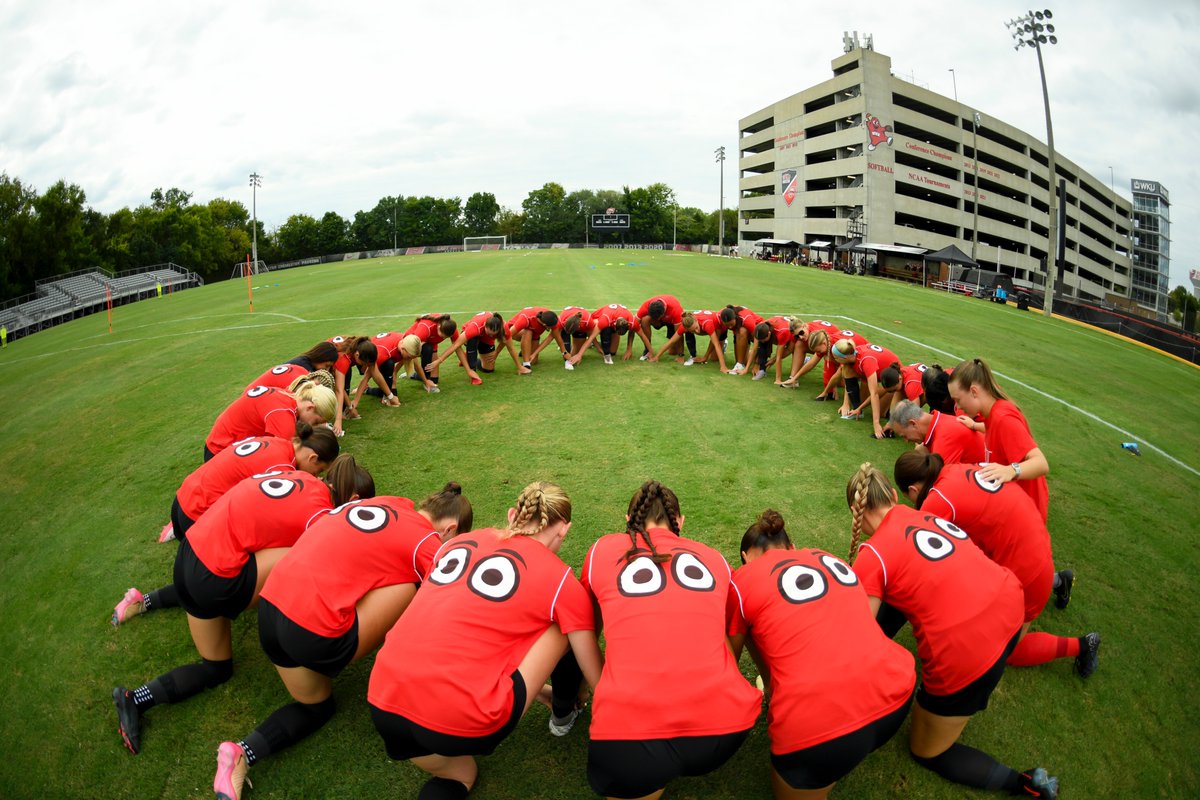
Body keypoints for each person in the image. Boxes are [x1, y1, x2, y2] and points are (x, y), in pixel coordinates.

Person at [211, 483, 475, 800]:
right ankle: (413, 684)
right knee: (417, 584)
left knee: (316, 708)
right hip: (313, 635)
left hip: (270, 611)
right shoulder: (427, 542)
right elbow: (456, 596)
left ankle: (240, 753)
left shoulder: (392, 502)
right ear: (450, 529)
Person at [111, 457, 373, 756]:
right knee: (309, 560)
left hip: (189, 557)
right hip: (213, 579)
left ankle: (136, 698)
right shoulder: (322, 514)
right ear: (353, 500)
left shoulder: (296, 475)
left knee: (216, 668)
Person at [367, 482, 602, 799]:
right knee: (568, 621)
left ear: (512, 515)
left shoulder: (459, 542)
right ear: (563, 530)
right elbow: (593, 671)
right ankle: (564, 711)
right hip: (463, 720)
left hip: (383, 698)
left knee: (461, 775)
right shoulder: (560, 579)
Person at [844, 463, 1059, 798]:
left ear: (855, 513)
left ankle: (1025, 783)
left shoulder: (872, 554)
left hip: (969, 651)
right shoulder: (930, 512)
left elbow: (859, 636)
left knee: (927, 750)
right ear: (892, 493)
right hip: (1010, 604)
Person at [580, 480, 761, 800]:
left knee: (643, 769)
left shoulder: (601, 550)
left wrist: (593, 688)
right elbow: (722, 635)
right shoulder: (715, 559)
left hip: (629, 740)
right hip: (725, 730)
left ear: (628, 520)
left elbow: (587, 629)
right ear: (680, 522)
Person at [729, 509, 915, 800]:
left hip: (819, 733)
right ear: (792, 547)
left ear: (744, 557)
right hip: (897, 696)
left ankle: (778, 700)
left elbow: (728, 663)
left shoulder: (741, 579)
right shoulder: (828, 557)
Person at [893, 452, 1097, 675]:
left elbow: (911, 556)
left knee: (1003, 651)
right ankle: (1058, 581)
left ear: (913, 490)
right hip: (1034, 546)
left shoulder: (938, 499)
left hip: (1028, 572)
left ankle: (1084, 645)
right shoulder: (955, 470)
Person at [114, 424, 340, 621]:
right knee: (211, 576)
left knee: (200, 575)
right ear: (312, 458)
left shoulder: (278, 443)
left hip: (184, 500)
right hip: (198, 513)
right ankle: (145, 601)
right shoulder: (282, 469)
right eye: (319, 470)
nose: (316, 476)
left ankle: (144, 598)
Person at [948, 358, 1050, 522]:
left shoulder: (1003, 418)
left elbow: (1041, 463)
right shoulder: (992, 413)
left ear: (974, 391)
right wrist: (974, 425)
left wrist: (1010, 470)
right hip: (1015, 504)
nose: (958, 407)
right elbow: (993, 429)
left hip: (1026, 510)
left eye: (958, 400)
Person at [203, 374, 337, 462]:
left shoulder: (287, 397)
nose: (314, 426)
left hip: (225, 445)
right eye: (317, 421)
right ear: (310, 407)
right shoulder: (283, 413)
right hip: (220, 451)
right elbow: (286, 458)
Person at [828, 340, 903, 439]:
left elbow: (874, 393)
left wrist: (876, 423)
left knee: (880, 413)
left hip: (892, 381)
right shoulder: (852, 356)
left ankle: (894, 409)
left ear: (845, 357)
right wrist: (846, 404)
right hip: (879, 375)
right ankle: (857, 409)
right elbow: (847, 379)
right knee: (845, 369)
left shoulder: (866, 361)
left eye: (836, 358)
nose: (834, 360)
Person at [431, 311, 530, 382]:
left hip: (485, 341)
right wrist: (439, 360)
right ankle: (472, 369)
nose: (492, 336)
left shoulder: (503, 329)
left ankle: (466, 358)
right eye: (489, 333)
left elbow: (511, 348)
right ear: (485, 326)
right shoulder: (475, 327)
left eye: (494, 335)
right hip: (472, 337)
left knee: (489, 369)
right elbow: (456, 345)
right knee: (473, 340)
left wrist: (519, 367)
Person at [781, 326, 870, 401]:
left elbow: (844, 371)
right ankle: (833, 391)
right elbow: (811, 363)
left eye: (818, 350)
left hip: (865, 356)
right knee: (831, 363)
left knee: (862, 398)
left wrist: (844, 403)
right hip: (852, 355)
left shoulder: (837, 348)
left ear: (823, 344)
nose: (818, 352)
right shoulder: (827, 344)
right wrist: (794, 378)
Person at [888, 400, 985, 465]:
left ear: (913, 424)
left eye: (904, 435)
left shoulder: (944, 438)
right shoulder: (938, 421)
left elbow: (942, 486)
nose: (906, 440)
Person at [330, 336, 389, 434]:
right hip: (320, 367)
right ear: (357, 355)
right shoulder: (344, 359)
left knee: (343, 388)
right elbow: (339, 389)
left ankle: (344, 410)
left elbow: (374, 373)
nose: (366, 367)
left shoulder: (364, 347)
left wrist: (390, 396)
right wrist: (338, 420)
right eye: (365, 364)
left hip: (338, 363)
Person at [571, 303, 652, 365]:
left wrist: (651, 353)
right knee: (602, 329)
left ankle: (597, 345)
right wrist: (579, 355)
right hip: (596, 320)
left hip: (613, 320)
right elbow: (591, 336)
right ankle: (588, 343)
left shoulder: (632, 321)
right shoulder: (605, 320)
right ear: (614, 325)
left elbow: (643, 336)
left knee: (612, 352)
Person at [651, 310, 731, 370]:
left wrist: (723, 367)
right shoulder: (684, 326)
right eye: (693, 330)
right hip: (709, 328)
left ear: (696, 321)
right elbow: (672, 341)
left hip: (720, 327)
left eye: (696, 328)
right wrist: (657, 356)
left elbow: (715, 344)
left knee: (714, 357)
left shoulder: (707, 323)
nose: (697, 331)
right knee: (713, 353)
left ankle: (723, 344)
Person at [403, 314, 467, 390]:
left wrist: (468, 371)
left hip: (431, 342)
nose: (444, 338)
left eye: (446, 337)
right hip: (411, 343)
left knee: (435, 380)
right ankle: (422, 379)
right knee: (427, 348)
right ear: (439, 327)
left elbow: (456, 347)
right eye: (443, 336)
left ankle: (415, 375)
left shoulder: (451, 328)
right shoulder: (425, 328)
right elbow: (410, 351)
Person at [742, 316, 799, 382]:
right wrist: (746, 369)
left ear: (769, 334)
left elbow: (782, 354)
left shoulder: (782, 332)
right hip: (779, 327)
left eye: (763, 339)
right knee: (762, 344)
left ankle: (801, 360)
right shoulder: (759, 328)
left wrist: (778, 379)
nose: (762, 341)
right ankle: (762, 370)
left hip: (793, 333)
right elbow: (754, 349)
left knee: (794, 348)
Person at [636, 295, 684, 361]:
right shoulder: (646, 305)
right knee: (644, 320)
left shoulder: (676, 310)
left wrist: (681, 355)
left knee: (672, 352)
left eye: (656, 318)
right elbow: (633, 325)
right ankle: (647, 350)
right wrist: (628, 349)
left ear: (662, 314)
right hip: (660, 318)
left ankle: (679, 349)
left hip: (672, 322)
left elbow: (679, 334)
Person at [717, 305, 763, 374]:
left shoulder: (747, 320)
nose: (729, 327)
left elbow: (759, 342)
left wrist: (757, 363)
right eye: (727, 325)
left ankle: (740, 364)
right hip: (738, 333)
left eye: (731, 324)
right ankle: (725, 345)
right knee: (713, 358)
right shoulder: (720, 315)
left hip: (758, 332)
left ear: (735, 318)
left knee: (742, 331)